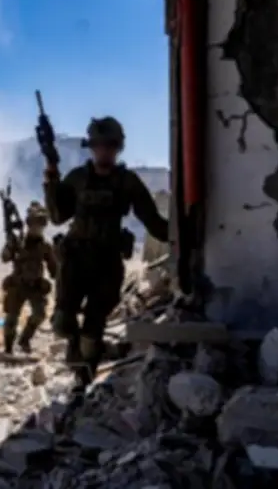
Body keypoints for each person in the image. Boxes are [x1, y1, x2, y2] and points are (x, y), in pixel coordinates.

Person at [43, 116, 169, 394]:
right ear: (92, 147)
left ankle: (84, 379)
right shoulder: (77, 178)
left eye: (110, 146)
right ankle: (76, 351)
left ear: (118, 148)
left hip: (107, 262)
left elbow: (154, 222)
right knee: (62, 323)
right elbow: (57, 216)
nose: (105, 151)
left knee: (93, 326)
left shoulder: (127, 182)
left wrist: (183, 233)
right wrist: (51, 174)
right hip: (75, 260)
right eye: (100, 145)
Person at [0, 201, 58, 354]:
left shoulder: (45, 246)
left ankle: (25, 339)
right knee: (12, 317)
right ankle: (8, 347)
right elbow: (4, 258)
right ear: (29, 224)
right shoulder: (18, 241)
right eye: (34, 224)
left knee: (39, 314)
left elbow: (54, 269)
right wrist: (9, 246)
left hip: (35, 286)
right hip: (17, 284)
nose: (37, 228)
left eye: (41, 224)